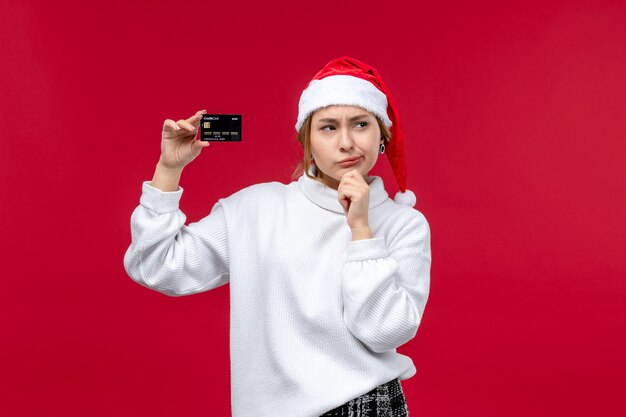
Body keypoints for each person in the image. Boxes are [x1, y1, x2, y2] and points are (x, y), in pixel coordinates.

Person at [124, 56, 431, 417]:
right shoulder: (257, 208)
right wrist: (168, 169)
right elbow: (155, 266)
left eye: (361, 124)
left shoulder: (404, 224)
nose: (347, 142)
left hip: (367, 407)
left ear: (382, 134)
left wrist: (361, 231)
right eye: (329, 128)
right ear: (308, 140)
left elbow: (384, 332)